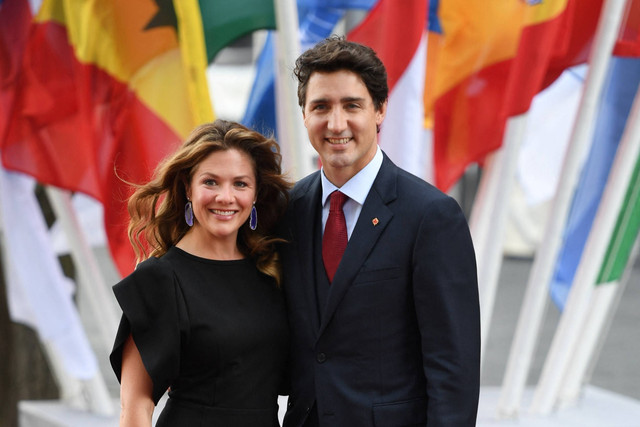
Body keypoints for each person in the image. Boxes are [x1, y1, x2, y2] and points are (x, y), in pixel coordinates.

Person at [279, 36, 481, 426]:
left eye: (351, 105)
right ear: (304, 114)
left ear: (380, 110)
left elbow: (453, 367)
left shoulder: (432, 217)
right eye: (321, 106)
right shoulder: (287, 210)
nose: (336, 123)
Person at [109, 120, 292, 427]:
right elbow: (135, 407)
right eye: (211, 182)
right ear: (187, 188)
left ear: (256, 193)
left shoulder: (270, 268)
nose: (225, 197)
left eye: (240, 184)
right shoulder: (160, 280)